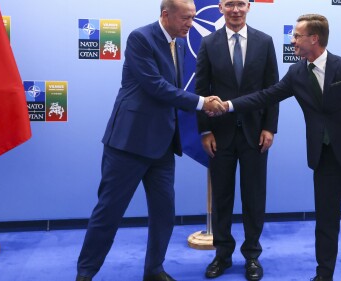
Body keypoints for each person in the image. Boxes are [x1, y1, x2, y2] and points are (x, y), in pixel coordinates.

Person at [218, 14, 341, 281]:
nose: (293, 40)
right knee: (326, 221)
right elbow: (266, 96)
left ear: (314, 38)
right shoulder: (296, 72)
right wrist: (229, 106)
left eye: (297, 36)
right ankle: (324, 275)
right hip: (324, 158)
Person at [75, 1, 226, 281]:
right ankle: (85, 273)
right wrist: (202, 102)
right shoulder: (140, 38)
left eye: (193, 18)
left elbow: (173, 91)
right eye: (185, 18)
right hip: (129, 144)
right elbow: (156, 87)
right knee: (109, 213)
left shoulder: (181, 45)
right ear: (165, 15)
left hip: (163, 146)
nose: (190, 24)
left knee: (164, 213)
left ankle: (154, 270)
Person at [195, 0, 279, 280]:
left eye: (241, 4)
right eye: (230, 4)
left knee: (254, 197)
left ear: (248, 7)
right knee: (222, 197)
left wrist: (270, 128)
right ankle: (222, 255)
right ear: (220, 8)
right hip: (220, 135)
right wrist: (204, 131)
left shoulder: (265, 42)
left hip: (256, 134)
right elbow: (200, 90)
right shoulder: (208, 43)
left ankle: (252, 256)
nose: (235, 9)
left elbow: (272, 89)